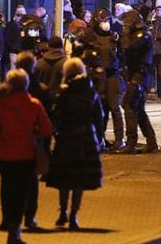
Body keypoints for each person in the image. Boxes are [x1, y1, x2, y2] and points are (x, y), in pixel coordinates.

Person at [0, 69, 52, 244]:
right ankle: (15, 229)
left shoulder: (0, 105)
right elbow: (46, 128)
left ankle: (7, 219)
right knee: (22, 191)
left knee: (7, 187)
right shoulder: (34, 104)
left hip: (5, 154)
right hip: (26, 153)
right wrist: (35, 133)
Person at [45, 58, 103, 230]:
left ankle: (62, 212)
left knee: (65, 177)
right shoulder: (90, 91)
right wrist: (98, 138)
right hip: (86, 138)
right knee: (79, 179)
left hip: (67, 138)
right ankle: (74, 215)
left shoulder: (64, 92)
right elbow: (98, 117)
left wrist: (56, 132)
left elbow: (56, 116)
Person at [118, 11, 159, 153]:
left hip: (139, 76)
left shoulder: (144, 35)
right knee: (138, 109)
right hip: (134, 74)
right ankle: (151, 141)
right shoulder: (139, 34)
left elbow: (129, 48)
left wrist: (125, 31)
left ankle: (131, 143)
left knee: (129, 106)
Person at [91, 9, 126, 150]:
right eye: (103, 21)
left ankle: (119, 139)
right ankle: (100, 138)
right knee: (101, 110)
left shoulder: (114, 37)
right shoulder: (92, 37)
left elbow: (122, 57)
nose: (106, 24)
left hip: (112, 75)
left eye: (107, 21)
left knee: (114, 108)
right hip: (99, 77)